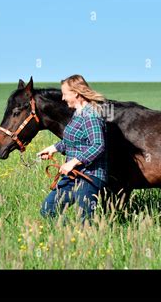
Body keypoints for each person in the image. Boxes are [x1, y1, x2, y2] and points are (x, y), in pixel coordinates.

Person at [37, 74, 108, 223]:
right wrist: (53, 148)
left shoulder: (90, 115)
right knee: (47, 209)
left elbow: (98, 145)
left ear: (76, 93)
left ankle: (86, 240)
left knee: (85, 220)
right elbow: (73, 140)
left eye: (65, 94)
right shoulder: (78, 113)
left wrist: (73, 162)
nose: (63, 98)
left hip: (90, 176)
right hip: (73, 175)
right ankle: (70, 236)